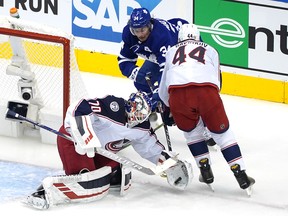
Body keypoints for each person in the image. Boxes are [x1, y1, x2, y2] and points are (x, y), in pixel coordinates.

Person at [26, 91, 193, 209]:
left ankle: (102, 177)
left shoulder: (142, 127)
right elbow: (79, 108)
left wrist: (170, 163)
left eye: (141, 116)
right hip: (73, 141)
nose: (136, 118)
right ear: (130, 104)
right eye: (135, 112)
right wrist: (85, 137)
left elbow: (150, 148)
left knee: (114, 171)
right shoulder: (112, 106)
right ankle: (44, 192)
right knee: (85, 179)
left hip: (98, 151)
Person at [158, 24, 255, 195]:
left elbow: (163, 87)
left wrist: (168, 108)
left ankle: (205, 170)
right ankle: (240, 173)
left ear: (180, 38)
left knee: (192, 133)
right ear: (197, 37)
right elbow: (217, 82)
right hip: (206, 91)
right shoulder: (211, 49)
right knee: (223, 135)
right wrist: (208, 102)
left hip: (178, 95)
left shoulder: (172, 51)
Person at [117, 7, 188, 98]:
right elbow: (124, 60)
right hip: (159, 56)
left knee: (174, 88)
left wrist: (158, 91)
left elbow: (167, 71)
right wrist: (137, 74)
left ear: (149, 26)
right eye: (136, 31)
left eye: (142, 30)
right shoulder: (128, 34)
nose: (140, 35)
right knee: (141, 84)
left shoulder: (161, 36)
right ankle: (155, 108)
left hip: (181, 49)